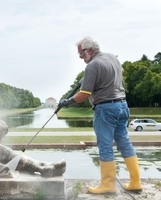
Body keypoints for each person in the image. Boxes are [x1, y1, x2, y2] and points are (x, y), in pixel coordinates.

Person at [58, 36, 142, 194]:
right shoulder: (112, 58)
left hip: (105, 109)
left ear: (90, 50)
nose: (80, 56)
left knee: (105, 146)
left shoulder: (92, 66)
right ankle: (136, 182)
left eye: (81, 53)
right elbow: (120, 71)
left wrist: (68, 101)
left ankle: (107, 186)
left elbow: (84, 93)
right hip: (122, 106)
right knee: (125, 144)